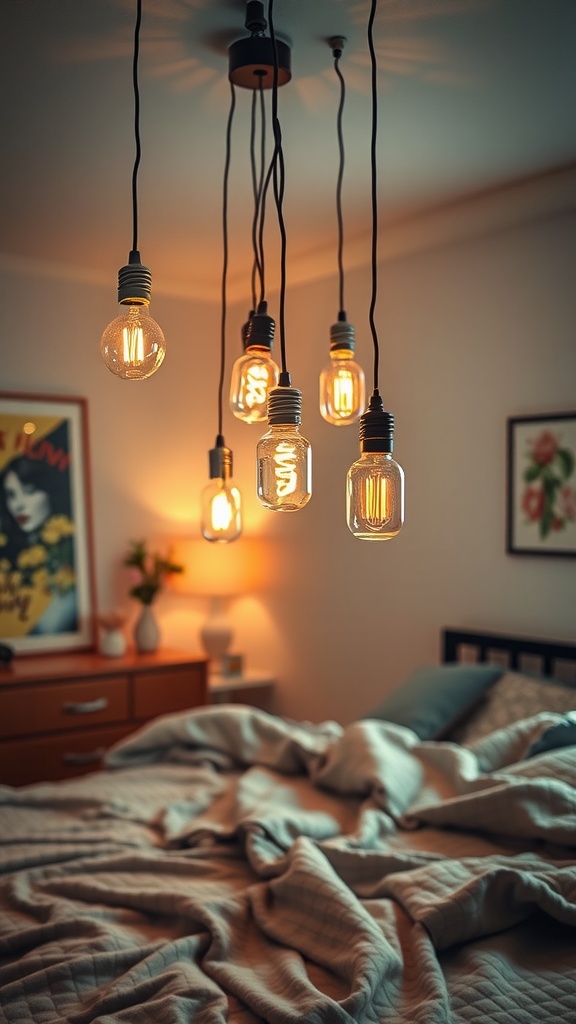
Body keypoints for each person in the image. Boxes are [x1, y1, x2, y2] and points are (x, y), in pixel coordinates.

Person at [0, 426, 78, 635]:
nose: (19, 506)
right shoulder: (13, 558)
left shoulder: (69, 553)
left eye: (29, 492)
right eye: (11, 495)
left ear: (49, 492)